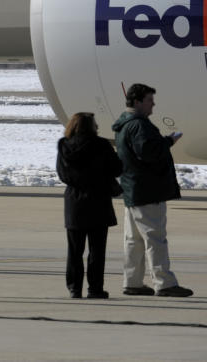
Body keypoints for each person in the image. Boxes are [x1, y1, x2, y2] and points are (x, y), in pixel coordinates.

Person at [113, 83, 193, 297]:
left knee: (134, 240)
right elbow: (147, 152)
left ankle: (133, 281)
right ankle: (164, 282)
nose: (153, 104)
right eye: (149, 100)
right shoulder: (139, 125)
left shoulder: (124, 124)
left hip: (133, 190)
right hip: (147, 190)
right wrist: (168, 141)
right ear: (137, 101)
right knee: (155, 238)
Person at [56, 112, 122, 299]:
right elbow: (117, 168)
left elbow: (62, 175)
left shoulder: (64, 145)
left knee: (75, 250)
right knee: (97, 250)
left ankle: (74, 288)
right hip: (98, 200)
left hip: (74, 202)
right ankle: (95, 288)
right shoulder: (101, 145)